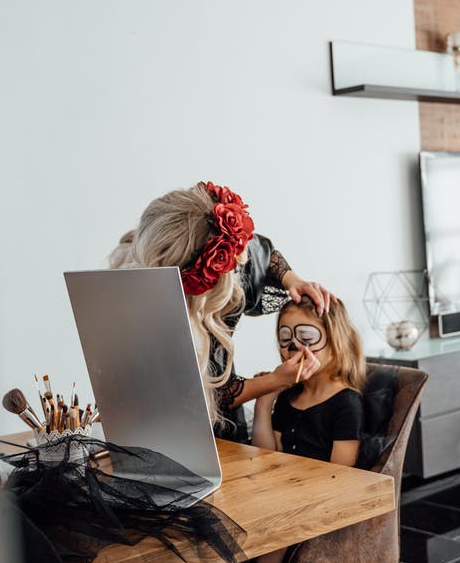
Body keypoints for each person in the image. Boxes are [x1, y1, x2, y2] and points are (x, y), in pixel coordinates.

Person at [107, 181, 338, 441]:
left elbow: (259, 251)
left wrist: (292, 280)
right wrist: (274, 382)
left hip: (222, 428)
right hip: (176, 429)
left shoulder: (223, 251)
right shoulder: (155, 310)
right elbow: (206, 397)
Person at [248, 297, 367, 563]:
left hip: (315, 506)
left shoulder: (346, 404)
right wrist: (264, 403)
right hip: (281, 497)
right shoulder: (289, 398)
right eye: (285, 338)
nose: (292, 348)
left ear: (333, 340)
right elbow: (267, 456)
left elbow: (341, 476)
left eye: (306, 337)